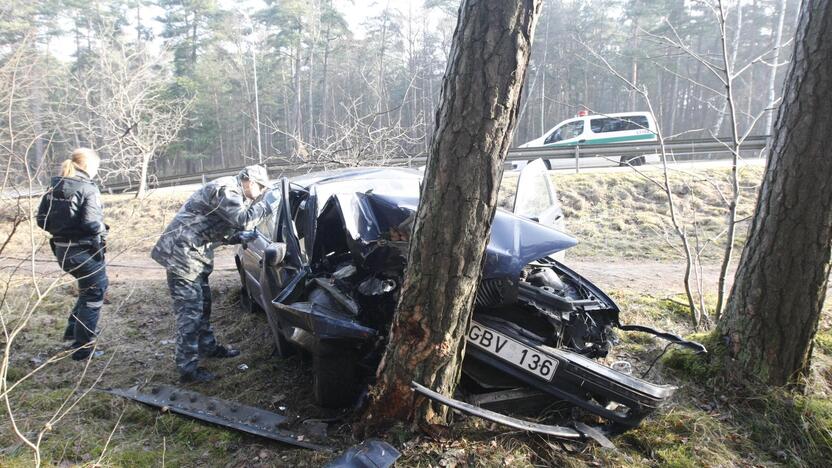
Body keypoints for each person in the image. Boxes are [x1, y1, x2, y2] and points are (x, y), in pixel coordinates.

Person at [151, 165, 279, 383]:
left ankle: (207, 347)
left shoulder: (232, 192)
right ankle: (188, 369)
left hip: (193, 255)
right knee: (189, 313)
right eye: (260, 188)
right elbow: (242, 219)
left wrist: (240, 237)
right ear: (249, 181)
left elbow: (219, 226)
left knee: (203, 305)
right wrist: (267, 206)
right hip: (181, 255)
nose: (260, 193)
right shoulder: (226, 189)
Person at [36, 148, 108, 361]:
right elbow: (91, 223)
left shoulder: (54, 186)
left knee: (87, 291)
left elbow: (41, 220)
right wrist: (102, 228)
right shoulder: (88, 189)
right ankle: (82, 348)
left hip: (61, 250)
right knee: (95, 293)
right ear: (87, 166)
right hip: (82, 252)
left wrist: (63, 230)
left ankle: (72, 333)